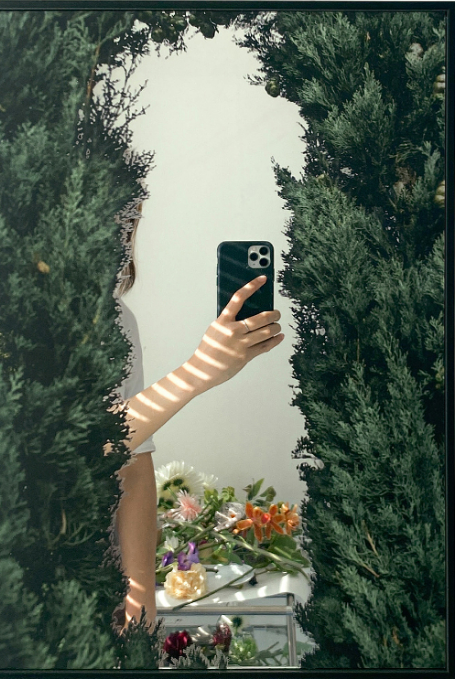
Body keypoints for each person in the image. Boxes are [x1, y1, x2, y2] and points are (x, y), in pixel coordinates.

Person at [106, 202, 284, 635]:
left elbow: (132, 461)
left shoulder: (118, 321)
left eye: (132, 212)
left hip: (102, 573)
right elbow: (78, 445)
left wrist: (141, 600)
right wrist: (197, 373)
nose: (126, 227)